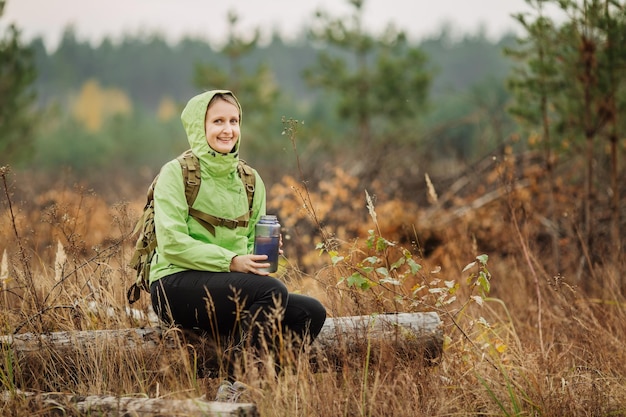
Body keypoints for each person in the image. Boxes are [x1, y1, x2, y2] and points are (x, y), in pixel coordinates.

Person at [148, 90, 326, 401]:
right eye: (217, 121)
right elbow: (172, 244)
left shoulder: (251, 180)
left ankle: (262, 386)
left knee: (310, 312)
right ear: (197, 127)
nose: (227, 129)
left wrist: (259, 256)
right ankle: (236, 389)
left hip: (224, 289)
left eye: (234, 120)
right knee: (273, 291)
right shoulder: (175, 174)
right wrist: (232, 261)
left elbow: (246, 245)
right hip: (172, 285)